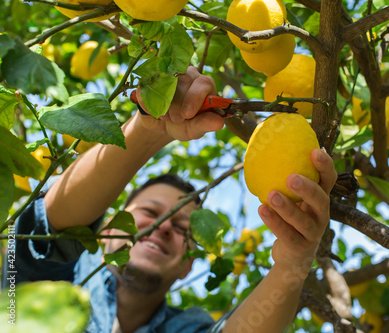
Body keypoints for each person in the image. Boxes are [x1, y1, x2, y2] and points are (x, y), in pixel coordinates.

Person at [3, 66, 337, 333]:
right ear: (106, 228)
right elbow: (42, 233)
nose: (162, 227)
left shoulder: (187, 328)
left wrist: (294, 262)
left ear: (188, 265)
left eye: (182, 229)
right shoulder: (39, 295)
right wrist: (148, 129)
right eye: (148, 212)